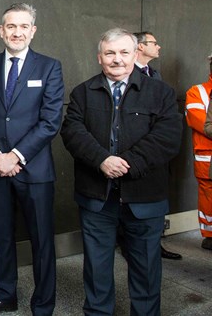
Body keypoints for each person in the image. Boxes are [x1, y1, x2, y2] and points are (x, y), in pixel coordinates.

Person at [61, 28, 182, 315]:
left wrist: (126, 163)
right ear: (99, 57)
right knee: (96, 267)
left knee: (146, 268)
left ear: (135, 54)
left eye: (124, 52)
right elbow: (72, 132)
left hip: (145, 197)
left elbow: (167, 138)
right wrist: (102, 159)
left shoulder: (161, 93)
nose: (117, 59)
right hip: (96, 198)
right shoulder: (82, 93)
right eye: (110, 53)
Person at [0, 3, 64, 316]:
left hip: (34, 170)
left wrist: (16, 155)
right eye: (11, 26)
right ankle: (5, 296)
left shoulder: (49, 67)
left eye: (23, 26)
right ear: (1, 31)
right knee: (2, 238)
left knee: (42, 243)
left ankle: (43, 305)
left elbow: (51, 121)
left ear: (33, 31)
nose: (17, 32)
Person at [130, 31, 182, 260]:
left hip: (155, 152)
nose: (159, 47)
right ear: (139, 47)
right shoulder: (125, 74)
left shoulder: (155, 75)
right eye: (153, 42)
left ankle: (154, 244)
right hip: (131, 151)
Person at [189, 54, 212, 250]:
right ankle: (210, 234)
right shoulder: (197, 92)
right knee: (208, 194)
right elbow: (203, 124)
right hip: (207, 156)